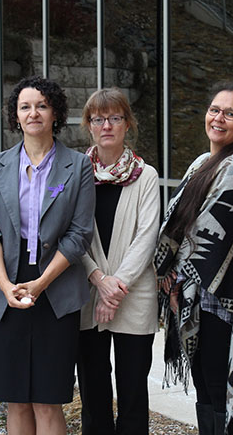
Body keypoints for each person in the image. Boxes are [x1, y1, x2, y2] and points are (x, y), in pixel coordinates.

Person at [0, 75, 95, 435]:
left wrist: (41, 283)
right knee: (16, 399)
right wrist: (3, 284)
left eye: (42, 105)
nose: (33, 113)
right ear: (15, 116)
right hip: (6, 285)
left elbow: (79, 235)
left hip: (55, 288)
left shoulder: (78, 166)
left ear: (56, 112)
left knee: (47, 398)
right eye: (25, 107)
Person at [155, 81, 233, 435]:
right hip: (195, 296)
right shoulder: (203, 162)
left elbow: (207, 233)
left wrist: (172, 275)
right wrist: (170, 274)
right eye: (214, 110)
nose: (219, 118)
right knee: (205, 388)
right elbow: (178, 221)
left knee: (220, 390)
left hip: (225, 300)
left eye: (230, 113)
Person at [76, 88, 160, 435]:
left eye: (115, 118)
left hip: (134, 295)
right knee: (93, 392)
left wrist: (114, 288)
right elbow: (70, 234)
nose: (106, 125)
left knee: (133, 392)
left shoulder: (147, 176)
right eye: (98, 119)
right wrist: (98, 278)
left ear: (128, 124)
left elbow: (147, 237)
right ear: (89, 126)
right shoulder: (75, 173)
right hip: (86, 294)